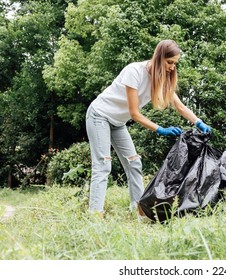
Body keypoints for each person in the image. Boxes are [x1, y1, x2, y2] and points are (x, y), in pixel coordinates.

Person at [85, 39, 211, 217]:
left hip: (118, 123)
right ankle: (95, 214)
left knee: (134, 163)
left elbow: (180, 107)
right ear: (159, 58)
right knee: (103, 165)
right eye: (169, 62)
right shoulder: (134, 71)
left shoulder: (161, 79)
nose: (172, 68)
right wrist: (160, 129)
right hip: (99, 115)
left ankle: (140, 211)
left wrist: (198, 122)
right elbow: (135, 113)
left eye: (175, 64)